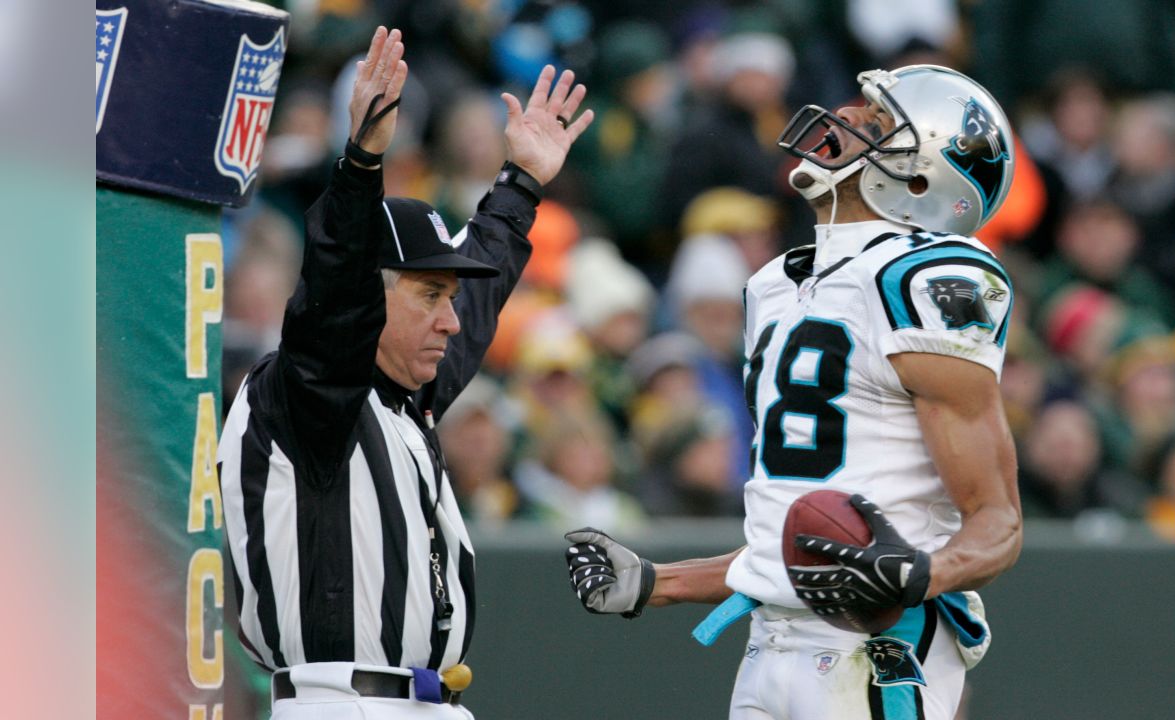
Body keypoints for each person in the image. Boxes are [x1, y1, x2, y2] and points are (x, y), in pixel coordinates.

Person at [564, 65, 1022, 719]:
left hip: (880, 647)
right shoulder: (775, 283)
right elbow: (800, 537)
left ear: (924, 176)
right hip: (770, 649)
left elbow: (998, 521)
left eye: (877, 122)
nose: (846, 120)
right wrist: (656, 583)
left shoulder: (927, 278)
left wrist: (922, 575)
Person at [218, 26, 592, 719]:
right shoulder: (308, 397)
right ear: (369, 295)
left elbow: (475, 309)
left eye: (446, 297)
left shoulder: (399, 397)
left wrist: (520, 184)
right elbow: (332, 293)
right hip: (344, 705)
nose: (449, 320)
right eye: (428, 295)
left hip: (421, 702)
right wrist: (360, 165)